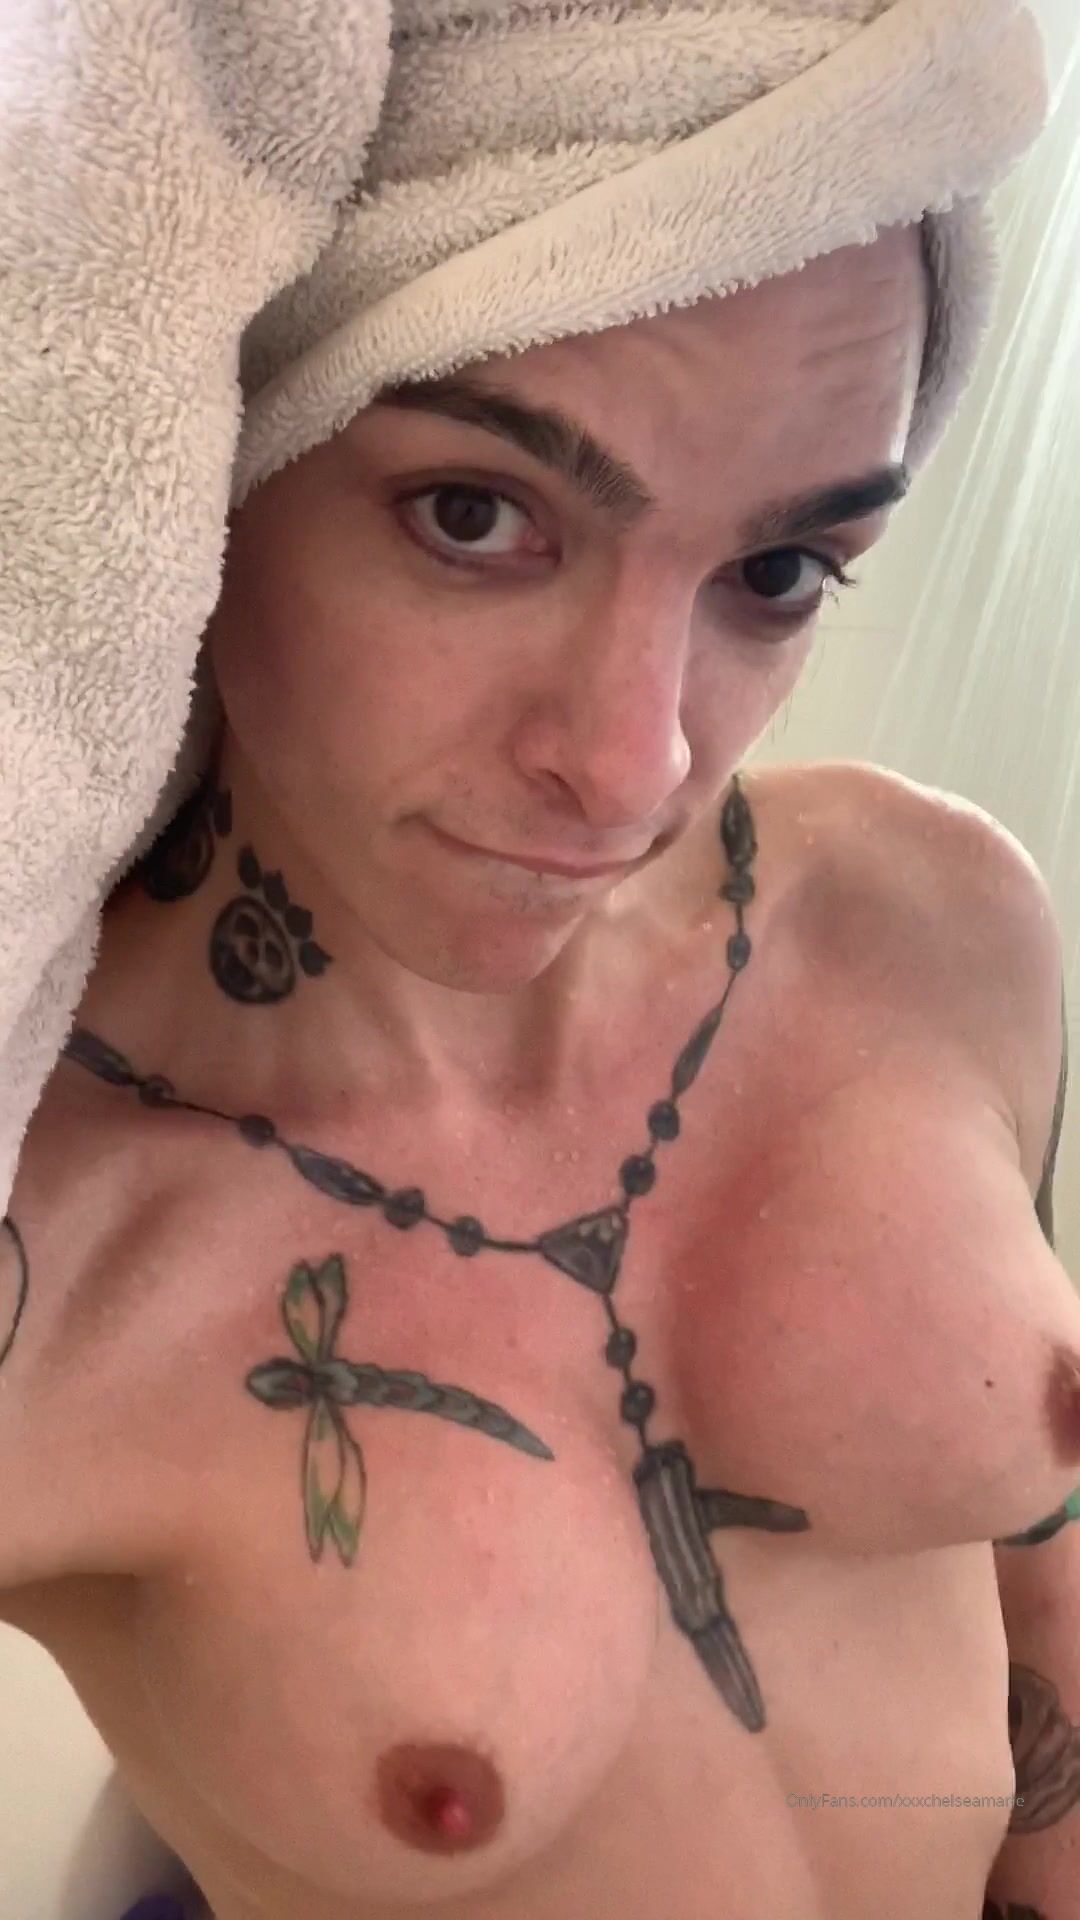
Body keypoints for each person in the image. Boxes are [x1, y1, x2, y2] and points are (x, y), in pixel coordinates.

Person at [1, 4, 1075, 1919]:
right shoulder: (60, 1264)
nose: (636, 760)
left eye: (780, 572)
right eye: (476, 515)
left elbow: (1045, 1589)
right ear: (190, 472)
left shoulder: (930, 920)